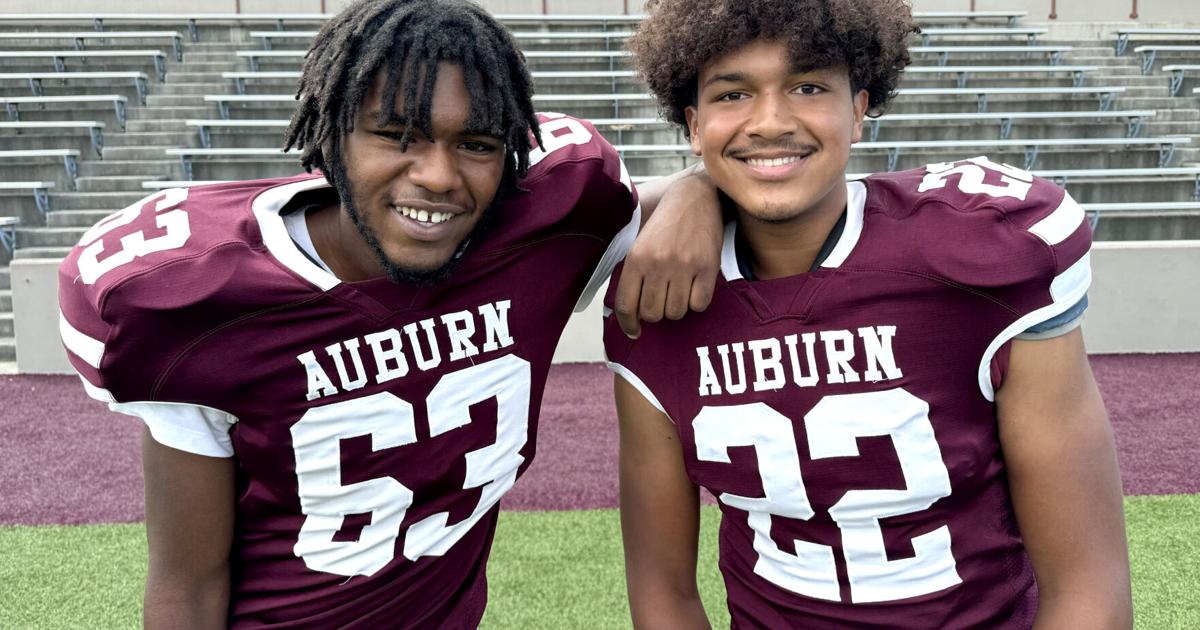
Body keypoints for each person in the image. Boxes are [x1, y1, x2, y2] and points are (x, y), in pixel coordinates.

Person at [57, 0, 720, 626]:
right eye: (395, 134)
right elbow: (189, 582)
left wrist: (697, 189)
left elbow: (670, 202)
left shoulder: (544, 233)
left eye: (477, 144)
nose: (436, 175)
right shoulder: (194, 300)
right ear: (331, 134)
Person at [603, 1, 1133, 628]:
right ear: (694, 125)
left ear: (858, 110)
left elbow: (1087, 588)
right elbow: (664, 594)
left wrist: (699, 185)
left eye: (807, 87)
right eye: (732, 94)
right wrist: (694, 187)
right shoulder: (658, 297)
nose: (770, 121)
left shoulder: (983, 255)